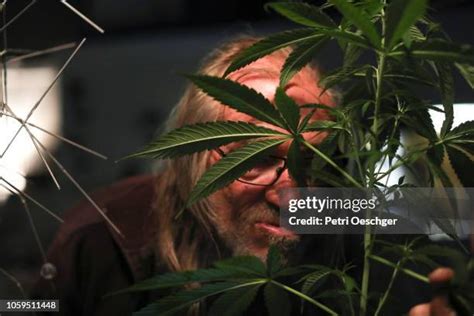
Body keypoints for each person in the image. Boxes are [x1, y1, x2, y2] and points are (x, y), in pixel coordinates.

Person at [31, 36, 459, 316]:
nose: (292, 196)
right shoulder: (102, 233)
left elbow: (450, 214)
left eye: (315, 159)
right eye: (255, 158)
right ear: (190, 156)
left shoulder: (344, 212)